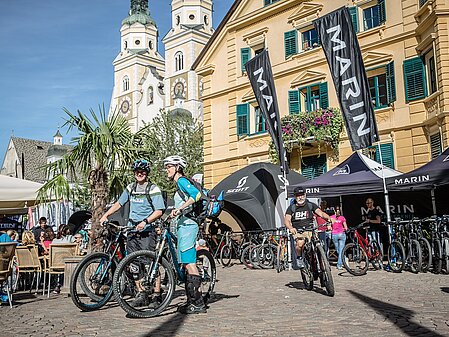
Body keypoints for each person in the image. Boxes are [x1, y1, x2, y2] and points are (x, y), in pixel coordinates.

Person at [100, 159, 164, 308]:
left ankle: (156, 294)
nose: (139, 174)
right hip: (132, 230)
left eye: (142, 172)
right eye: (137, 172)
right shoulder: (130, 188)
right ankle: (141, 293)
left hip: (147, 231)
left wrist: (146, 222)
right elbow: (119, 203)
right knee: (134, 264)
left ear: (147, 173)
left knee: (150, 263)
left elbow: (159, 210)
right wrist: (106, 215)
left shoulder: (153, 189)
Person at [163, 155, 207, 314]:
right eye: (166, 166)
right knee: (187, 264)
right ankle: (192, 301)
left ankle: (198, 304)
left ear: (177, 167)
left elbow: (196, 195)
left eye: (169, 166)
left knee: (189, 263)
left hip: (188, 225)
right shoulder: (179, 184)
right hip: (183, 225)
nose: (166, 169)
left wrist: (180, 209)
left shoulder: (182, 181)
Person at [284, 186, 335, 269]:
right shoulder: (291, 208)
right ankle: (299, 258)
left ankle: (321, 262)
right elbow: (287, 220)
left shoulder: (311, 205)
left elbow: (321, 213)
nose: (300, 197)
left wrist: (328, 218)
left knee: (318, 243)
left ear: (305, 195)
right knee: (300, 243)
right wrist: (290, 228)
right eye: (298, 195)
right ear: (295, 196)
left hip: (310, 229)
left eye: (302, 195)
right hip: (298, 230)